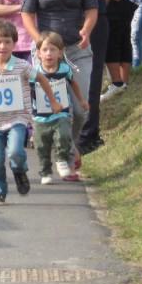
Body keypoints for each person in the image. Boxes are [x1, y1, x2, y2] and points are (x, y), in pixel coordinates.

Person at [21, 0, 98, 148]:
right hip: (47, 52)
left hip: (77, 49)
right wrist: (38, 40)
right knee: (55, 107)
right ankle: (64, 151)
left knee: (80, 109)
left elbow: (91, 9)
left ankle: (70, 144)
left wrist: (86, 30)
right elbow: (27, 13)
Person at [0, 20, 59, 206]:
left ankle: (19, 171)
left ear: (14, 44)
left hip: (17, 119)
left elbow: (42, 79)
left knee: (15, 152)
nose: (2, 46)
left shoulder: (22, 66)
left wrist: (52, 101)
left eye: (7, 42)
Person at [31, 31, 89, 184]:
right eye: (45, 50)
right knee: (42, 145)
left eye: (53, 50)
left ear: (60, 53)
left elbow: (74, 84)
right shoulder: (34, 72)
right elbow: (26, 90)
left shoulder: (64, 69)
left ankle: (61, 159)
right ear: (38, 53)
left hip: (61, 113)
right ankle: (45, 171)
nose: (49, 53)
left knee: (64, 135)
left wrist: (81, 100)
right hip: (41, 116)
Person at [72, 0, 109, 156]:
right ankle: (76, 135)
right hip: (73, 24)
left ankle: (89, 136)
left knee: (91, 80)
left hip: (94, 22)